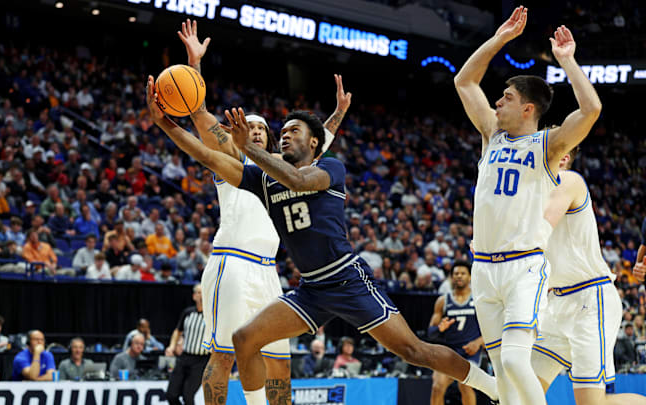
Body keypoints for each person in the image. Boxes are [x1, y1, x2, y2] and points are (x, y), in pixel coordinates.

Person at [147, 83, 498, 405]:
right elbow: (209, 157)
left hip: (347, 280)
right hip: (311, 288)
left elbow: (297, 180)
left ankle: (492, 386)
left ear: (314, 142)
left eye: (292, 132)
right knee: (244, 339)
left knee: (414, 351)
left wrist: (250, 148)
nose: (284, 136)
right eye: (281, 133)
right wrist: (164, 123)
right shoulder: (261, 179)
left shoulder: (330, 166)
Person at [176, 19, 351, 405]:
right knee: (223, 356)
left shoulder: (280, 168)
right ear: (237, 132)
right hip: (231, 264)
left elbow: (320, 139)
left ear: (269, 137)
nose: (254, 130)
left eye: (260, 128)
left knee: (280, 363)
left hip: (267, 270)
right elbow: (200, 114)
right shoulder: (233, 162)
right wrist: (194, 65)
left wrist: (338, 112)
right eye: (247, 125)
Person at [454, 7, 601, 404]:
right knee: (504, 377)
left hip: (523, 266)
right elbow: (464, 80)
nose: (497, 102)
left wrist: (568, 62)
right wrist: (499, 39)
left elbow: (591, 110)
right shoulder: (491, 134)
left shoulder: (548, 145)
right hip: (483, 269)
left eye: (507, 97)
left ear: (528, 109)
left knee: (519, 366)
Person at [530, 148, 646, 404]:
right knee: (522, 393)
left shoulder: (568, 180)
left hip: (590, 299)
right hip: (557, 303)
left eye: (541, 146)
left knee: (593, 403)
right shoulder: (532, 192)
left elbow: (540, 227)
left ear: (563, 158)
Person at [427, 261, 482, 405]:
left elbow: (494, 329)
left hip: (470, 352)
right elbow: (430, 333)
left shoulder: (479, 299)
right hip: (449, 352)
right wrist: (440, 329)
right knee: (437, 386)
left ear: (470, 277)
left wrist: (477, 343)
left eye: (463, 273)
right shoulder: (442, 301)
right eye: (456, 273)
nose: (459, 276)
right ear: (451, 277)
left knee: (465, 385)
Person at [165, 284, 210, 405]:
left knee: (188, 396)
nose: (201, 295)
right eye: (198, 293)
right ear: (194, 296)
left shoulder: (211, 315)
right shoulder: (187, 313)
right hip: (185, 357)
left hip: (202, 360)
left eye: (203, 292)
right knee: (171, 395)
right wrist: (172, 346)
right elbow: (177, 331)